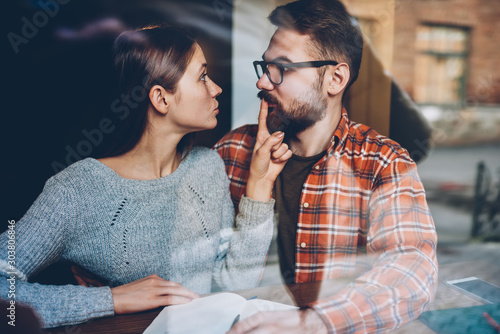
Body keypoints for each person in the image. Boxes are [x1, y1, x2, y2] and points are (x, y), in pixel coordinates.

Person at [0, 25, 292, 328]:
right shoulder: (77, 189)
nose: (215, 88)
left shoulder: (208, 166)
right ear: (160, 98)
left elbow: (233, 287)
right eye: (202, 77)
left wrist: (260, 185)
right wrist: (111, 299)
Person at [215, 1, 438, 333]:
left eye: (282, 68)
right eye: (265, 66)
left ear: (335, 78)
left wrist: (314, 322)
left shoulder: (383, 163)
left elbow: (411, 270)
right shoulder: (233, 150)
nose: (263, 83)